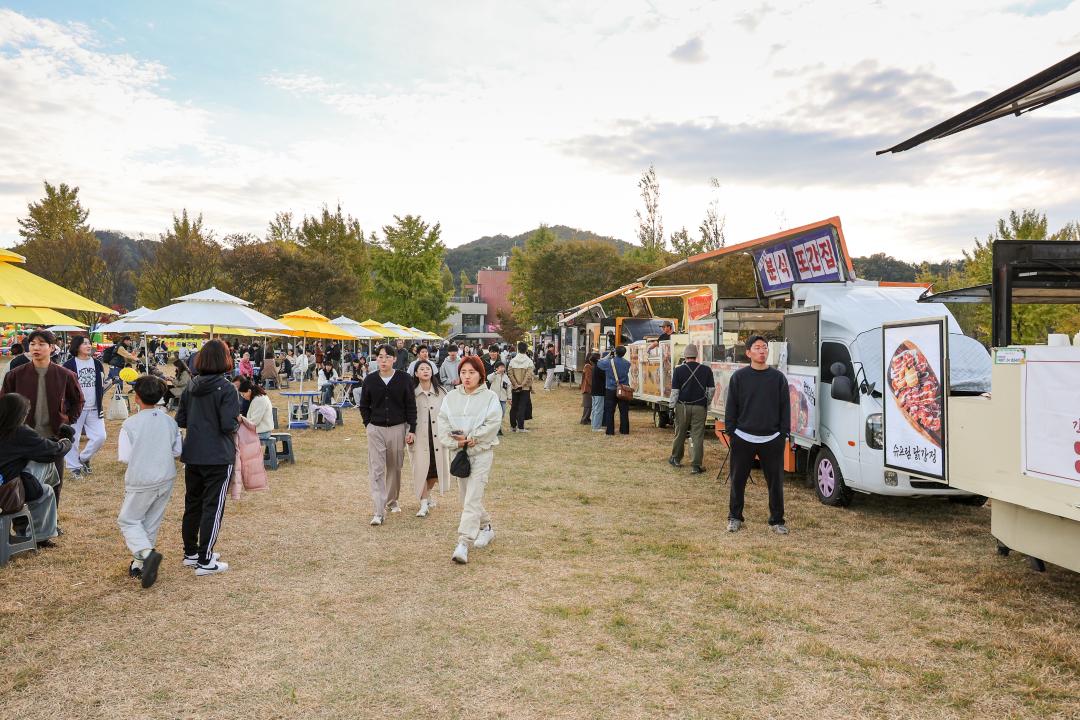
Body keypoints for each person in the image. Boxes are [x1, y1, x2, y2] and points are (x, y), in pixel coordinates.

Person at [175, 338, 240, 576]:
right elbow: (227, 425)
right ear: (225, 360)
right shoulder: (227, 388)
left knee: (193, 503)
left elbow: (180, 420)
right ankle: (205, 560)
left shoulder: (191, 386)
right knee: (213, 506)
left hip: (193, 453)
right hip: (218, 455)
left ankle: (191, 552)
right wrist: (237, 420)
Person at [0, 329, 82, 507]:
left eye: (41, 344)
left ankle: (52, 522)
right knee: (22, 483)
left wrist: (66, 421)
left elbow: (78, 400)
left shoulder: (65, 375)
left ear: (52, 347)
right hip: (21, 438)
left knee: (55, 481)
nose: (36, 348)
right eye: (32, 344)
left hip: (53, 436)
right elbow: (4, 403)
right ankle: (22, 523)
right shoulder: (15, 375)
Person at [116, 376, 182, 588]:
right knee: (151, 521)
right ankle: (140, 563)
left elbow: (125, 457)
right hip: (166, 476)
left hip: (141, 479)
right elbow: (177, 451)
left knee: (129, 520)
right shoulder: (170, 421)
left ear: (136, 398)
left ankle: (145, 554)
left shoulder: (130, 424)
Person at [439, 355, 503, 565]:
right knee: (466, 498)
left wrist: (473, 438)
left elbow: (493, 422)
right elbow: (443, 422)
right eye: (463, 372)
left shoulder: (490, 397)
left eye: (471, 372)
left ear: (481, 375)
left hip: (482, 453)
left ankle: (463, 542)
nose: (467, 377)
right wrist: (455, 441)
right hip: (460, 454)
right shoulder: (451, 397)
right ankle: (486, 527)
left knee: (472, 498)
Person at [724, 335, 790, 535]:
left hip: (772, 438)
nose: (762, 351)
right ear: (748, 353)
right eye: (758, 347)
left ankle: (777, 520)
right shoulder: (739, 377)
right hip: (743, 436)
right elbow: (731, 407)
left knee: (776, 482)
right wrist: (732, 431)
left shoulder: (778, 378)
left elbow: (785, 408)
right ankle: (735, 517)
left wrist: (782, 433)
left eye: (765, 347)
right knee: (737, 480)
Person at [358, 344, 417, 525]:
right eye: (380, 357)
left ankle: (392, 500)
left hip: (397, 428)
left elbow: (410, 405)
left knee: (395, 466)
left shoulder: (404, 379)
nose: (383, 360)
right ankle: (378, 510)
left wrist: (411, 429)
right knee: (376, 469)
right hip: (375, 428)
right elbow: (364, 405)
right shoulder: (370, 380)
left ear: (394, 359)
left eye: (387, 357)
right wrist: (368, 424)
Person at [0, 393, 68, 546]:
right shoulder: (19, 432)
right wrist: (66, 441)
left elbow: (41, 447)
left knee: (44, 486)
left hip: (6, 483)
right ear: (19, 414)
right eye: (25, 413)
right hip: (8, 493)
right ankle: (38, 536)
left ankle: (28, 524)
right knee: (46, 486)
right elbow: (53, 451)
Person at [408, 359, 449, 518]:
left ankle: (428, 494)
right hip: (418, 436)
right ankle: (423, 503)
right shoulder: (411, 393)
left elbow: (447, 414)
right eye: (422, 369)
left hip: (438, 436)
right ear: (416, 374)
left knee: (435, 470)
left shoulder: (441, 392)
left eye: (428, 368)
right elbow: (407, 415)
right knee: (420, 469)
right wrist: (408, 431)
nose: (425, 371)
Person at [61, 336, 106, 479]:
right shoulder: (68, 365)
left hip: (94, 407)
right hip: (75, 409)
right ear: (77, 347)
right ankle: (74, 468)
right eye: (84, 343)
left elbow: (100, 384)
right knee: (73, 438)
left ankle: (83, 458)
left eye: (89, 343)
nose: (88, 345)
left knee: (100, 437)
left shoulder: (97, 364)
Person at [669, 344, 715, 474]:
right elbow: (711, 390)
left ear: (685, 356)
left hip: (682, 406)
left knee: (680, 433)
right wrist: (707, 402)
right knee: (697, 435)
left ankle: (676, 459)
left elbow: (675, 392)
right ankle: (696, 465)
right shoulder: (706, 370)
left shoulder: (678, 370)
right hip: (700, 407)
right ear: (696, 355)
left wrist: (671, 407)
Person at [598, 346, 631, 435]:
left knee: (609, 410)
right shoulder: (627, 363)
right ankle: (624, 430)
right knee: (624, 411)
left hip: (611, 388)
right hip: (623, 388)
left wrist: (609, 355)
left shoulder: (609, 362)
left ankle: (610, 431)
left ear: (615, 352)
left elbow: (599, 363)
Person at [507, 342, 534, 432]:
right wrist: (522, 384)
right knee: (522, 406)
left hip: (515, 388)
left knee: (514, 406)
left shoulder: (512, 360)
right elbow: (529, 375)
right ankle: (521, 427)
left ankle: (513, 426)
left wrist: (515, 384)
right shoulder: (529, 361)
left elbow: (510, 373)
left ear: (518, 349)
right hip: (525, 388)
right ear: (526, 349)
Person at [488, 360, 512, 435]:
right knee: (495, 414)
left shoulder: (506, 377)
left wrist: (509, 398)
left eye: (503, 367)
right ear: (496, 368)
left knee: (502, 414)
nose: (502, 369)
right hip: (494, 399)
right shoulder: (494, 375)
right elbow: (489, 378)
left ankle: (498, 428)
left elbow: (509, 387)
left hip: (503, 399)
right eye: (500, 367)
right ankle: (496, 429)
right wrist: (495, 373)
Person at [589, 352, 606, 432]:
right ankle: (596, 427)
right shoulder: (600, 368)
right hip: (599, 391)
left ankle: (594, 424)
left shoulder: (595, 366)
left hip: (594, 390)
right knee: (599, 409)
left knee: (594, 409)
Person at [579, 353, 596, 424]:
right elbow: (589, 379)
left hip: (587, 387)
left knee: (589, 405)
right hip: (587, 388)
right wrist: (594, 385)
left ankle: (587, 419)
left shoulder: (588, 366)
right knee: (588, 405)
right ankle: (584, 419)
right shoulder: (588, 366)